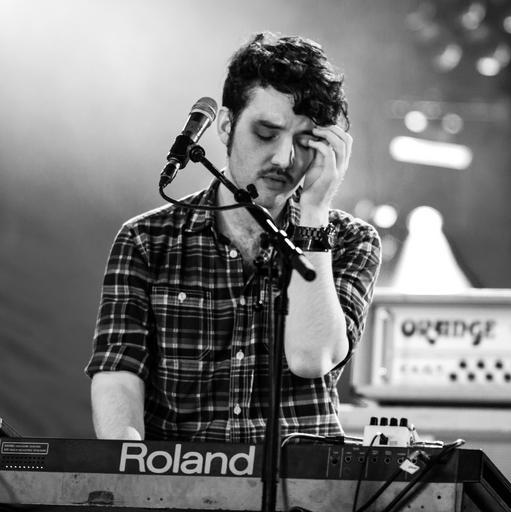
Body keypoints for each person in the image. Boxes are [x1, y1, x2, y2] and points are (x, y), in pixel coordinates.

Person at [84, 32, 382, 443]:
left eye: (304, 142)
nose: (284, 159)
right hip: (180, 478)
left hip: (300, 481)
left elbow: (310, 359)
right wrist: (132, 470)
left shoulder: (350, 240)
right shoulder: (145, 240)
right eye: (266, 134)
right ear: (226, 126)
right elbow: (118, 374)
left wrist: (314, 214)